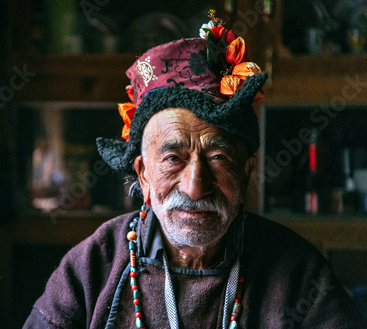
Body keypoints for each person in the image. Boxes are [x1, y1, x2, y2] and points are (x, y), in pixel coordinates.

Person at [23, 11, 366, 329]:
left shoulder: (300, 273)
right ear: (142, 174)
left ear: (245, 172)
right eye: (173, 159)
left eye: (218, 157)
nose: (195, 187)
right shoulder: (93, 266)